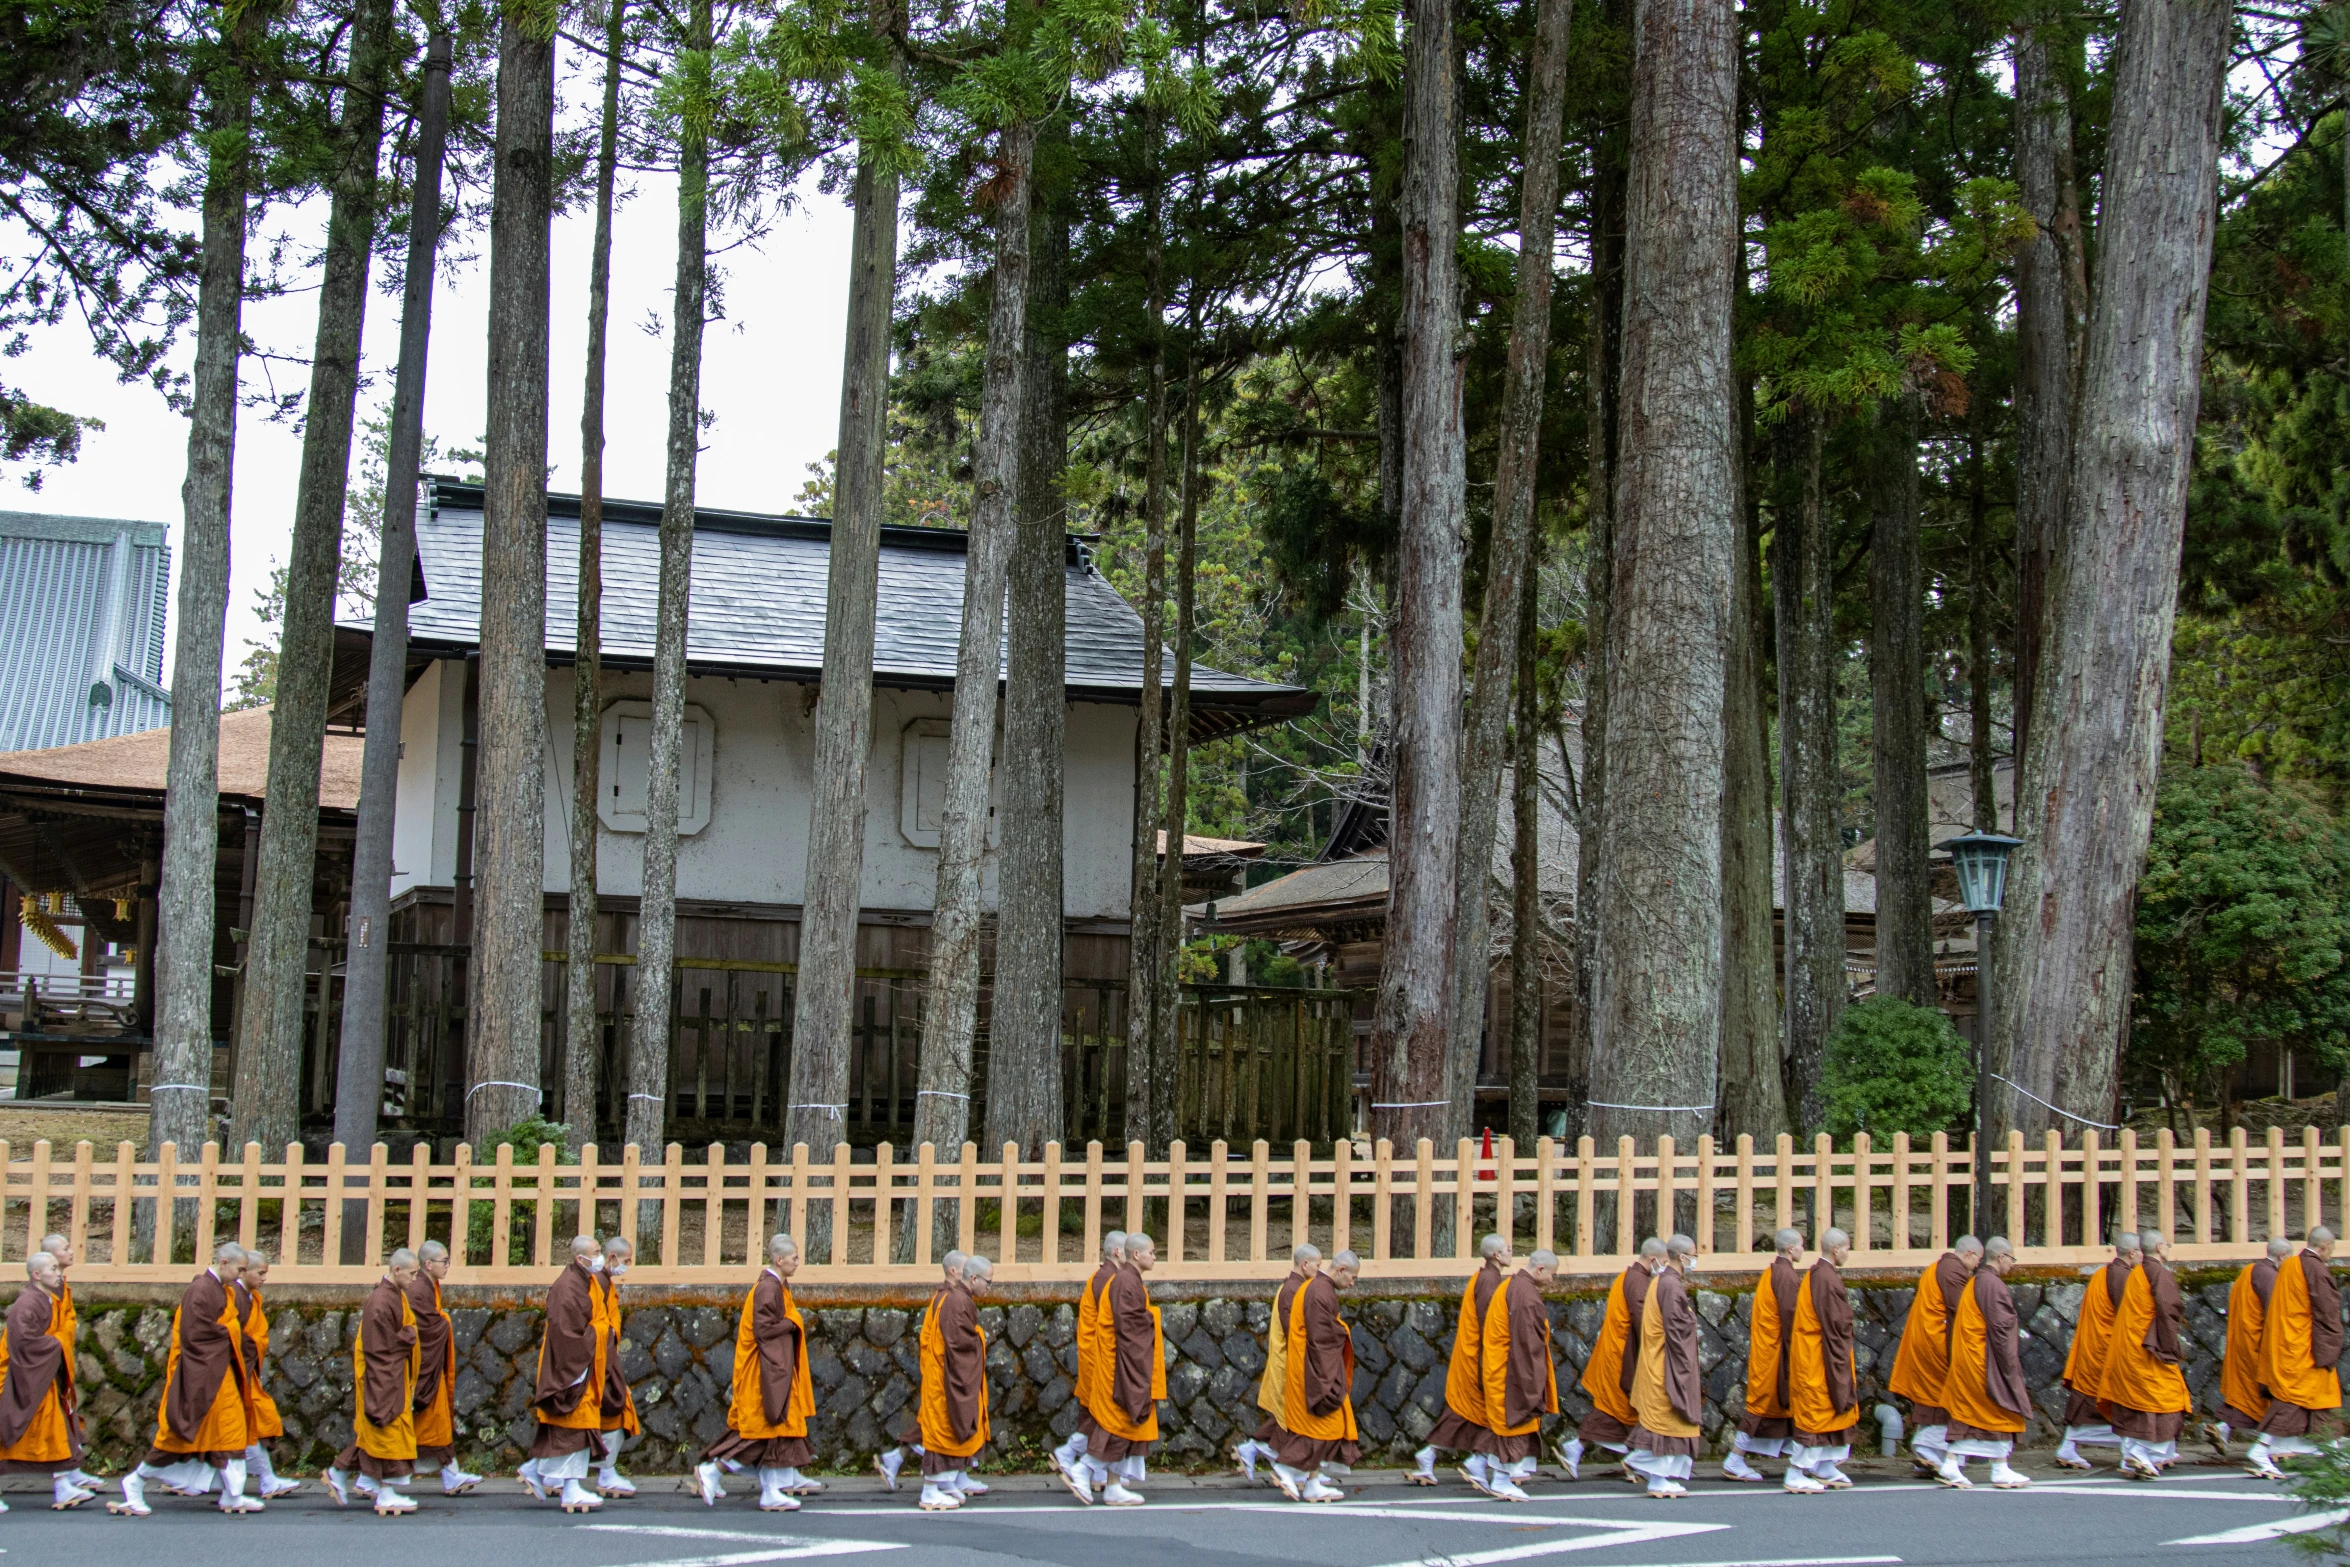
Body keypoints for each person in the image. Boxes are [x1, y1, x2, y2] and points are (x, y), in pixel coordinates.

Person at [112, 1242, 263, 1516]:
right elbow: (195, 1334)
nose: (241, 1275)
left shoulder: (222, 1290)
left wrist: (234, 1334)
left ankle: (233, 1495)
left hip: (219, 1374)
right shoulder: (201, 1290)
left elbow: (226, 1328)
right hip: (203, 1375)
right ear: (224, 1262)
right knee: (177, 1438)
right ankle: (134, 1483)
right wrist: (231, 1332)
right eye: (239, 1269)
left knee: (231, 1433)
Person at [697, 1234, 817, 1511]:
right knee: (763, 1430)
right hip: (763, 1372)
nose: (798, 1263)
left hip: (769, 1368)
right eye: (795, 1258)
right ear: (779, 1259)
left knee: (773, 1431)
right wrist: (791, 1322)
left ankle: (771, 1489)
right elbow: (764, 1331)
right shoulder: (768, 1289)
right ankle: (714, 1471)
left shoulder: (777, 1287)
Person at [878, 1252, 995, 1510]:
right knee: (940, 1430)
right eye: (988, 1282)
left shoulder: (956, 1299)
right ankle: (930, 1489)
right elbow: (957, 1343)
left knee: (946, 1428)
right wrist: (979, 1339)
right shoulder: (954, 1301)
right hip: (944, 1377)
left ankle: (946, 1480)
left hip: (942, 1374)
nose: (989, 1287)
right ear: (966, 1276)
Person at [1066, 1230, 1163, 1506]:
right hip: (1119, 1366)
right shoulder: (1125, 1282)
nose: (1154, 1257)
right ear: (1136, 1254)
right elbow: (1129, 1327)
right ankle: (1083, 1468)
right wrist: (1154, 1318)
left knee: (1129, 1423)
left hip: (1123, 1362)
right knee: (1118, 1423)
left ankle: (1113, 1485)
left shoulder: (1128, 1280)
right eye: (1151, 1252)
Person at [1408, 1233, 1512, 1490]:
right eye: (1508, 1249)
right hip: (1479, 1356)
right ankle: (1474, 1459)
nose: (1512, 1253)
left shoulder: (1485, 1276)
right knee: (1490, 1413)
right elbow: (1491, 1323)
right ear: (1497, 1255)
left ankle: (1439, 1456)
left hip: (1474, 1354)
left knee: (1466, 1415)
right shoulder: (1490, 1281)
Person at [325, 1249, 424, 1515]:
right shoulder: (380, 1301)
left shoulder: (395, 1297)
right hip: (383, 1376)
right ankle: (386, 1493)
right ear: (397, 1270)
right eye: (412, 1273)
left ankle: (340, 1472)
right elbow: (378, 1347)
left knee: (374, 1435)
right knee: (386, 1431)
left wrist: (407, 1334)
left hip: (392, 1373)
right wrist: (408, 1336)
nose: (415, 1279)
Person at [518, 1235, 610, 1512]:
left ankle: (534, 1469)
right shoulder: (567, 1287)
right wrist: (599, 1331)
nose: (600, 1257)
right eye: (595, 1253)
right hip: (570, 1365)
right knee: (574, 1427)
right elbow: (566, 1333)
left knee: (571, 1426)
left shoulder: (584, 1281)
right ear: (580, 1259)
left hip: (579, 1364)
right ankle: (570, 1489)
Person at [1933, 1237, 2032, 1490]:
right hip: (1982, 1362)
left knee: (1973, 1415)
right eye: (2012, 1259)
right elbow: (2001, 1329)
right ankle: (1994, 1469)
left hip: (1969, 1359)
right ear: (2001, 1257)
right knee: (1998, 1409)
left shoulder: (1978, 1281)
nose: (2013, 1264)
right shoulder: (1992, 1284)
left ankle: (1962, 1465)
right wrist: (2009, 1367)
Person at [2094, 1228, 2191, 1480]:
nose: (2169, 1248)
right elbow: (2169, 1312)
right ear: (2159, 1247)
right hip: (2147, 1352)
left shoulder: (2137, 1273)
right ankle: (2139, 1452)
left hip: (2127, 1349)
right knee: (2168, 1401)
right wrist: (2170, 1348)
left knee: (2137, 1404)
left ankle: (2135, 1456)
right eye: (2167, 1244)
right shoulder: (2157, 1273)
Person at [2247, 1227, 2343, 1480]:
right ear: (2324, 1246)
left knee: (2319, 1399)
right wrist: (2331, 1346)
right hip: (2304, 1349)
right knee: (2293, 1400)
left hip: (2286, 1344)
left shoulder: (2290, 1265)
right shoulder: (2316, 1269)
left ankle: (2328, 1450)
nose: (2332, 1254)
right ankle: (2260, 1450)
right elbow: (2328, 1312)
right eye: (2332, 1248)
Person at [1269, 1250, 1363, 1503]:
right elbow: (1320, 1338)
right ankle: (1286, 1469)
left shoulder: (1317, 1287)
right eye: (1352, 1278)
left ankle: (1312, 1483)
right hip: (1312, 1369)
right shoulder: (1319, 1291)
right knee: (1327, 1424)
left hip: (1309, 1365)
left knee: (1316, 1425)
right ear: (1341, 1270)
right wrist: (1327, 1378)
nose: (1352, 1284)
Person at [1886, 1233, 1983, 1476]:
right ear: (1969, 1254)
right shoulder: (1953, 1271)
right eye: (1977, 1260)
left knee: (1935, 1402)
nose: (1977, 1266)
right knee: (1949, 1401)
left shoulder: (1937, 1267)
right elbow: (1962, 1310)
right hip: (1936, 1345)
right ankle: (1926, 1449)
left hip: (1925, 1341)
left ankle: (1931, 1456)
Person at [0, 1252, 91, 1509]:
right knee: (7, 1434)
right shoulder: (26, 1303)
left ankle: (63, 1486)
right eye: (52, 1268)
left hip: (39, 1375)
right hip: (17, 1377)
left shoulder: (48, 1299)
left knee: (56, 1430)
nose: (58, 1273)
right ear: (36, 1274)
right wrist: (58, 1341)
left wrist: (56, 1342)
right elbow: (22, 1342)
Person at [1572, 1239, 1663, 1481]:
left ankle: (1580, 1449)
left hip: (1618, 1353)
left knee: (1618, 1411)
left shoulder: (1630, 1276)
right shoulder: (1638, 1282)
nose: (1664, 1268)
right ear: (1652, 1259)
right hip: (1621, 1357)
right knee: (1623, 1408)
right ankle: (1637, 1460)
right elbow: (1645, 1320)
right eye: (1663, 1263)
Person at [1475, 1248, 1560, 1502]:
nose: (1552, 1281)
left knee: (1505, 1425)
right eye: (1552, 1275)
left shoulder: (1514, 1284)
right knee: (1514, 1423)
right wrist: (1531, 1382)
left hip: (1502, 1366)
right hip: (1511, 1371)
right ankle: (1501, 1480)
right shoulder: (1524, 1294)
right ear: (1540, 1269)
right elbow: (1525, 1343)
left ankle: (1481, 1467)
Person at [1625, 1235, 1705, 1499]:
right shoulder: (1671, 1285)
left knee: (1665, 1423)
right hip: (1665, 1364)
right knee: (1667, 1422)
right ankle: (1653, 1474)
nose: (1695, 1259)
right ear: (1682, 1257)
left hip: (1656, 1361)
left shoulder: (1660, 1281)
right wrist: (1691, 1320)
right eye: (1694, 1254)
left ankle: (1659, 1477)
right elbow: (1677, 1328)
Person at [1725, 1229, 1804, 1483]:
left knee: (1788, 1408)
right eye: (1801, 1245)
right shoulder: (1786, 1276)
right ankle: (1735, 1459)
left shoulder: (1774, 1271)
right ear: (1791, 1248)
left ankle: (1805, 1460)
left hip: (1769, 1351)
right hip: (1775, 1355)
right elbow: (1792, 1319)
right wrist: (1801, 1355)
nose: (1804, 1250)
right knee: (1762, 1407)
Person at [2054, 1234, 2139, 1469]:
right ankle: (2130, 1454)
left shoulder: (2103, 1274)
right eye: (2140, 1252)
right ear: (2132, 1253)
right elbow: (2130, 1317)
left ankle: (2068, 1446)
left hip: (2094, 1349)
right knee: (2119, 1402)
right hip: (2107, 1351)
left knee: (2091, 1403)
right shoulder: (2122, 1277)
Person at [1233, 1243, 1317, 1483]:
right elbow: (1295, 1331)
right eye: (1318, 1265)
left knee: (1286, 1416)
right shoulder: (1292, 1290)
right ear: (1305, 1264)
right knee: (1291, 1417)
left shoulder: (1295, 1287)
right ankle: (1285, 1464)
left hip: (1290, 1361)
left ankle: (1253, 1450)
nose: (1320, 1270)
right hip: (1289, 1363)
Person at [1785, 1228, 1859, 1494]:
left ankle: (1826, 1465)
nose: (1849, 1254)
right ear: (1836, 1249)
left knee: (1831, 1410)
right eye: (1848, 1248)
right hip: (1817, 1358)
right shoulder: (1825, 1279)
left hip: (1819, 1353)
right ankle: (1795, 1472)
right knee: (1817, 1413)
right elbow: (1837, 1322)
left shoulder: (1820, 1275)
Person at [407, 1239, 482, 1494]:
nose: (448, 1265)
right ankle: (364, 1478)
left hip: (429, 1365)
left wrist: (440, 1321)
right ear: (428, 1264)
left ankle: (451, 1474)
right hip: (420, 1367)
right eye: (444, 1261)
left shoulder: (429, 1286)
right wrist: (444, 1322)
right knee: (413, 1424)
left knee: (435, 1423)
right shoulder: (418, 1290)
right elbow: (424, 1328)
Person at [2210, 1237, 2295, 1460]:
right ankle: (2272, 1445)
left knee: (2244, 1395)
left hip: (2240, 1344)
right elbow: (2276, 1313)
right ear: (2282, 1256)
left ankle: (2223, 1428)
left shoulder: (2248, 1271)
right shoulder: (2269, 1276)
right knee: (2268, 1395)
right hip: (2257, 1346)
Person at [228, 1249, 301, 1500]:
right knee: (246, 1427)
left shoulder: (251, 1298)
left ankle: (192, 1481)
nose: (264, 1279)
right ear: (245, 1271)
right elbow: (234, 1337)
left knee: (251, 1424)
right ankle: (265, 1481)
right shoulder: (235, 1297)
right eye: (261, 1273)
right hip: (234, 1375)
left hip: (245, 1374)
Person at [1053, 1232, 1126, 1485]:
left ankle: (1093, 1467)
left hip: (1093, 1353)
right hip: (1100, 1357)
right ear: (1118, 1252)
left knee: (1096, 1413)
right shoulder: (1108, 1279)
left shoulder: (1102, 1276)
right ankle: (1073, 1454)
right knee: (1104, 1413)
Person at [31, 1234, 98, 1496]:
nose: (72, 1252)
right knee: (47, 1422)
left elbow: (65, 1324)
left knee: (63, 1416)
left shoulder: (58, 1288)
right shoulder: (34, 1299)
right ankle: (64, 1480)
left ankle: (69, 1474)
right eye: (65, 1249)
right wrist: (61, 1338)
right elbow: (32, 1337)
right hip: (33, 1369)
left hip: (51, 1365)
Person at [594, 1236, 642, 1498]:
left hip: (605, 1355)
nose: (627, 1266)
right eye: (625, 1261)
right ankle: (605, 1473)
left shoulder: (603, 1281)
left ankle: (605, 1471)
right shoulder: (598, 1283)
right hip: (600, 1358)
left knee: (614, 1411)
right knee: (615, 1410)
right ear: (612, 1257)